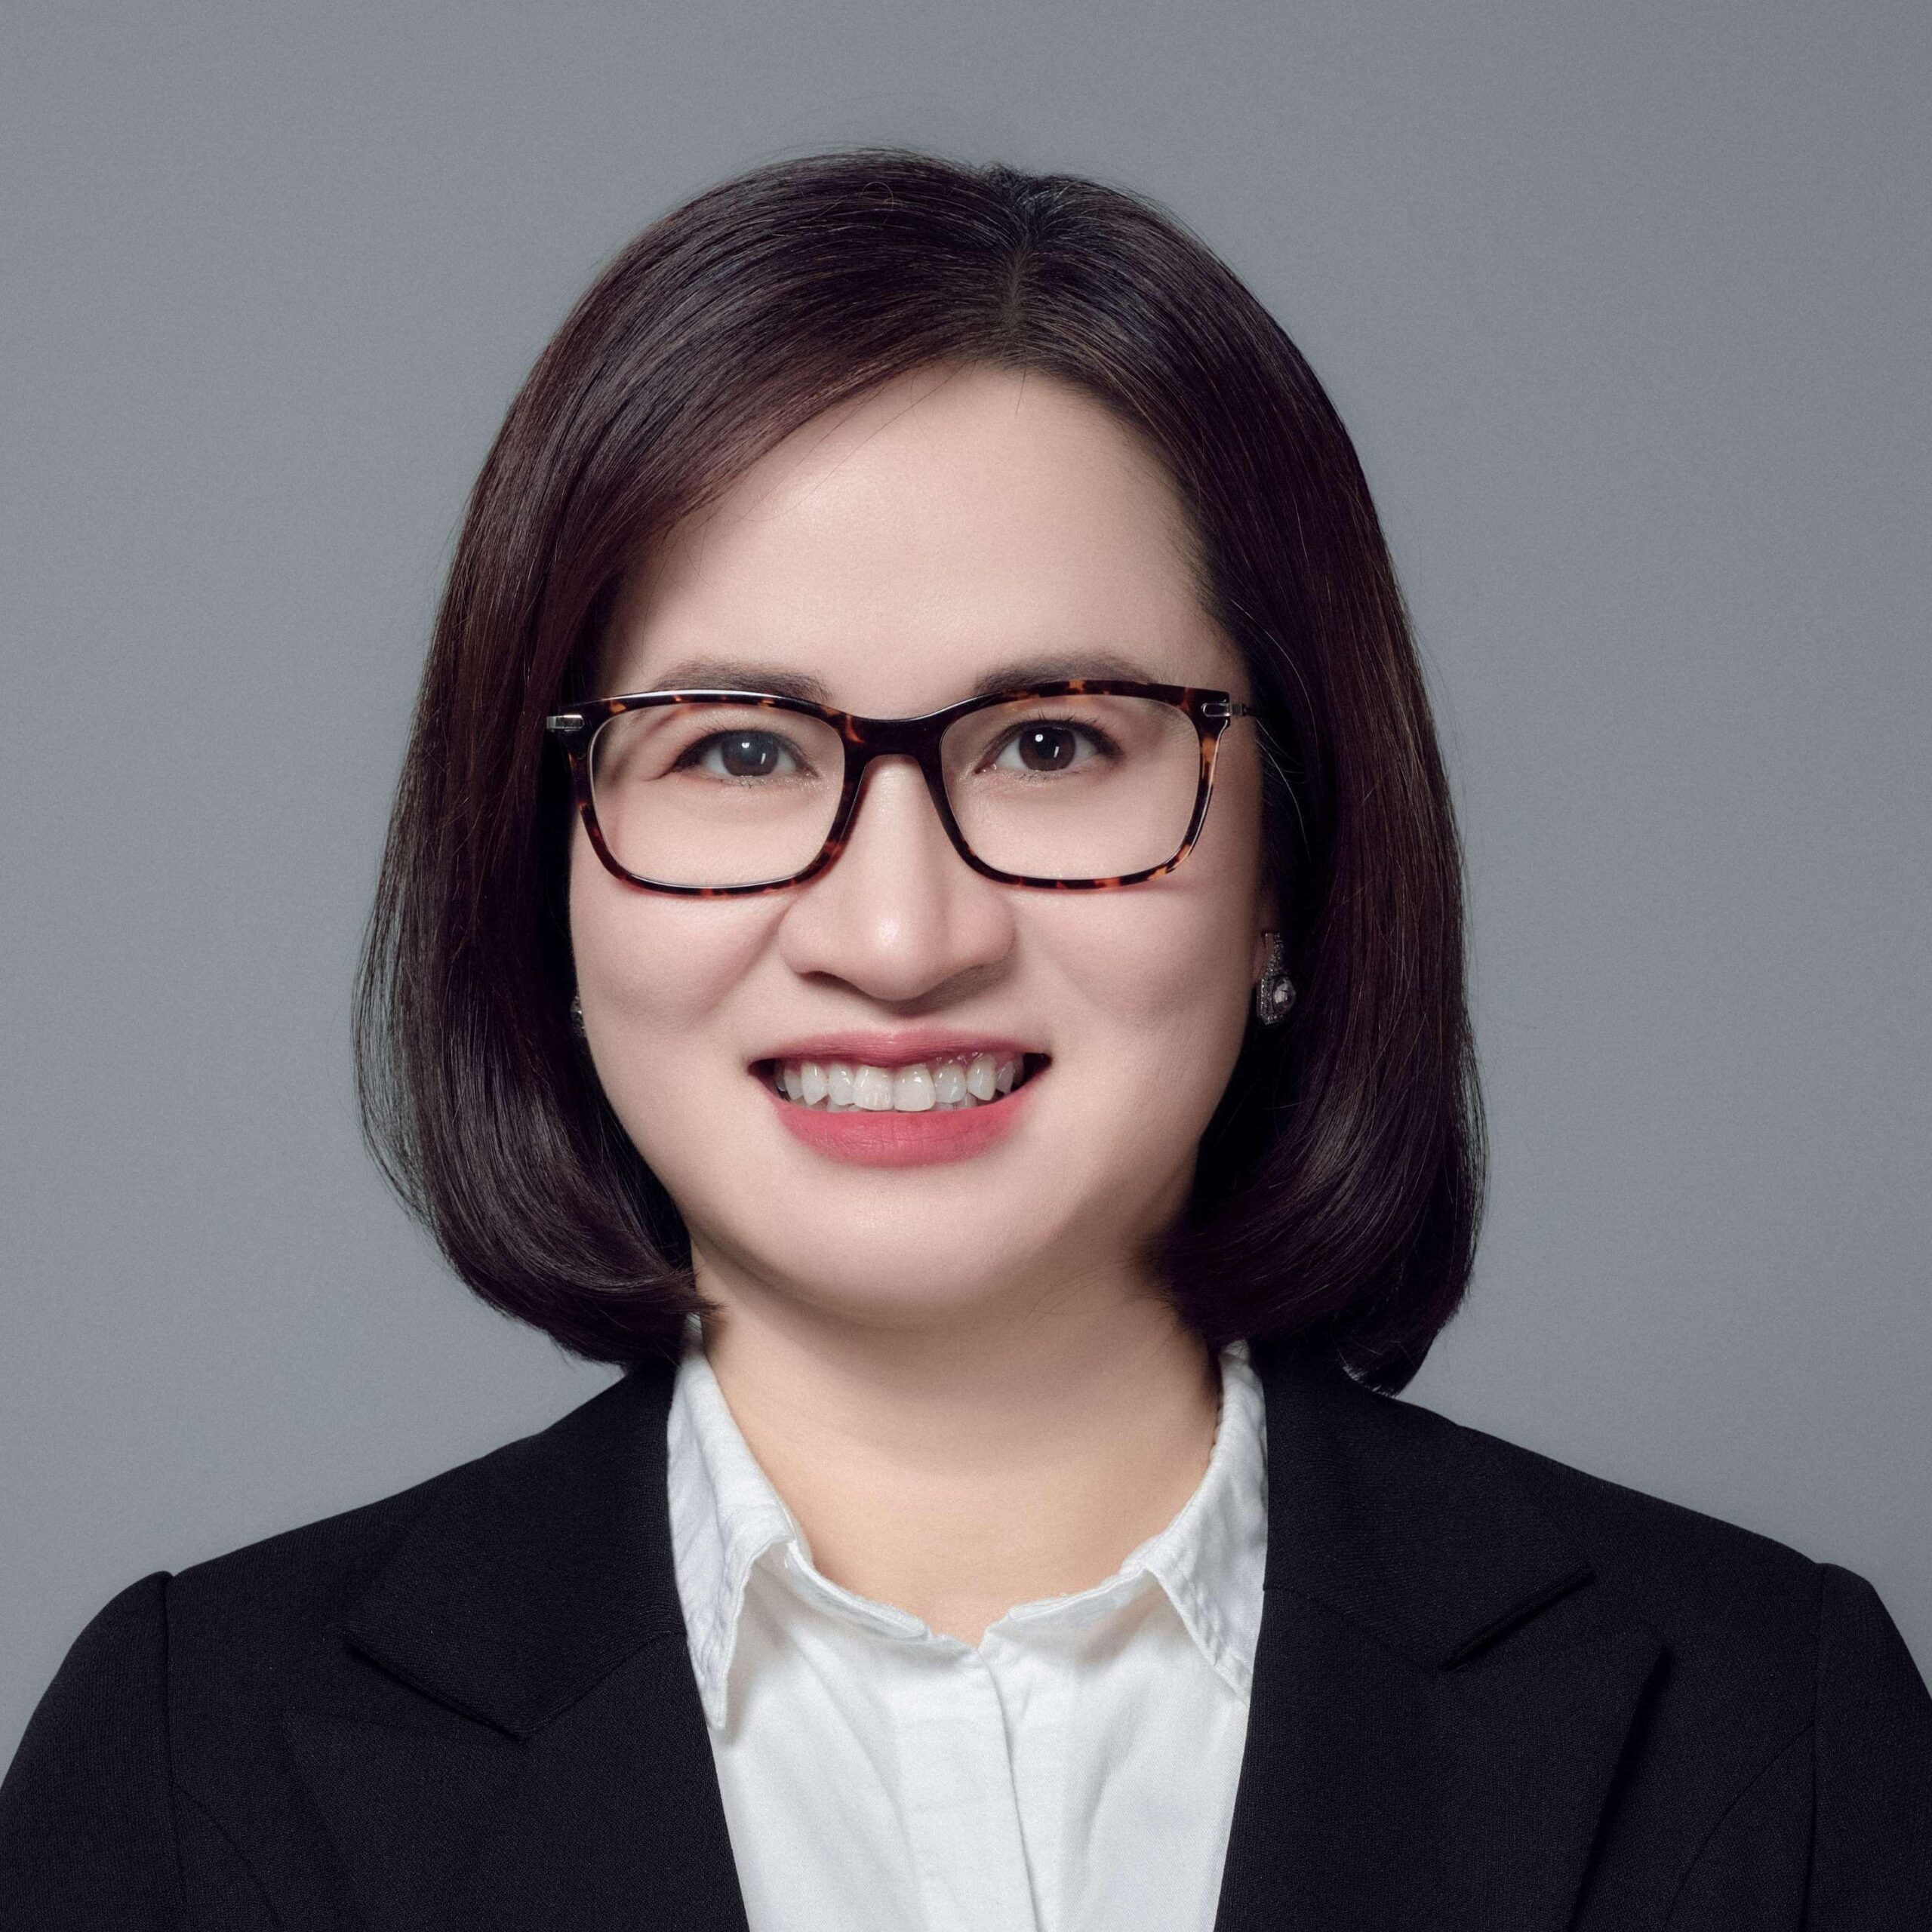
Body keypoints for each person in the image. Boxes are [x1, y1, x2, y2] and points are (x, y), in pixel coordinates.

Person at [2, 147, 1927, 1930]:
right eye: (738, 749)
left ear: (1285, 861)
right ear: (542, 876)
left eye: (1055, 743)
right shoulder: (191, 1771)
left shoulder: (1775, 1729)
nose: (900, 936)